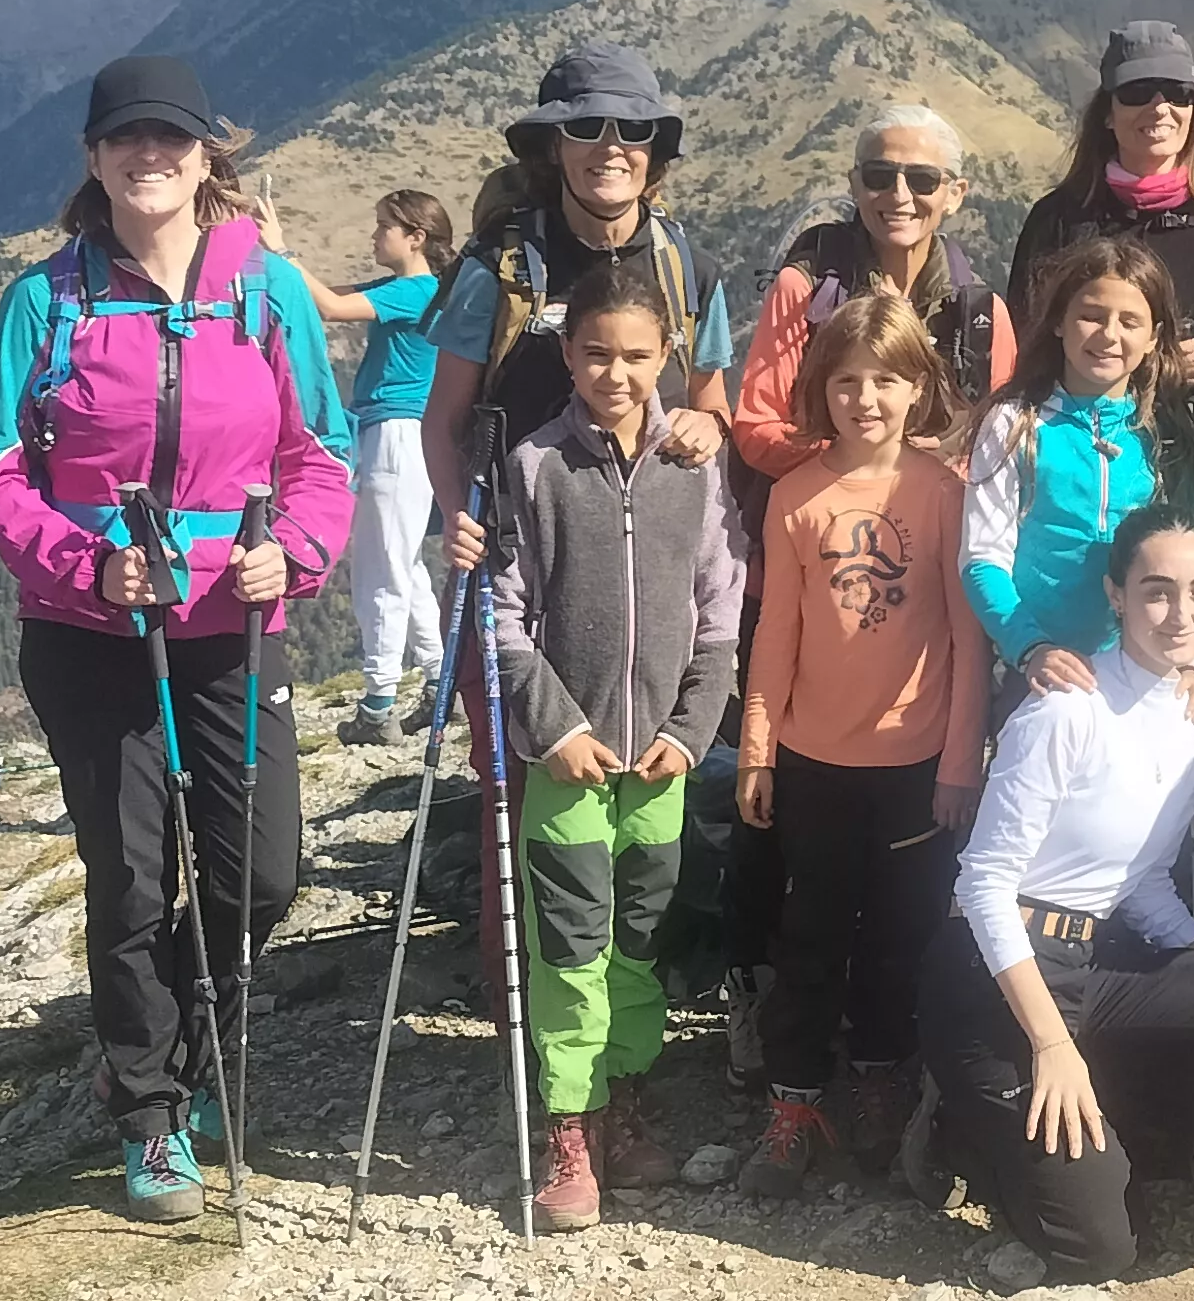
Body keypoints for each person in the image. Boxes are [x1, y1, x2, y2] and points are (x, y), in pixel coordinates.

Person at [0, 53, 357, 1222]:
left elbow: (319, 459)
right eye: (127, 138)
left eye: (172, 139)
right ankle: (152, 1111)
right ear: (93, 159)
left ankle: (187, 1044)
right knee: (131, 874)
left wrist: (296, 551)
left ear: (207, 157)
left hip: (232, 623)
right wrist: (89, 562)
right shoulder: (48, 300)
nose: (151, 155)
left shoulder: (268, 290)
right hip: (91, 631)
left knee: (265, 872)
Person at [448, 259, 748, 1233]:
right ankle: (570, 1125)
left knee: (637, 944)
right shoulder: (534, 465)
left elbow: (717, 619)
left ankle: (629, 1099)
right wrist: (557, 728)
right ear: (568, 355)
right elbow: (506, 621)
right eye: (596, 355)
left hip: (658, 762)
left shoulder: (693, 474)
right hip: (567, 764)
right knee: (569, 949)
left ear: (667, 357)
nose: (616, 375)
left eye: (637, 356)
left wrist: (690, 730)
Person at [925, 505, 1194, 1285]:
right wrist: (1051, 1044)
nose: (1181, 614)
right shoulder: (1064, 709)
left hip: (1090, 964)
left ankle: (1114, 1127)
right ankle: (962, 1125)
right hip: (995, 978)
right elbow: (983, 883)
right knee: (1103, 1248)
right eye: (1157, 592)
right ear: (1116, 596)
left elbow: (1141, 879)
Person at [734, 291, 989, 1196]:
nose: (865, 398)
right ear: (820, 389)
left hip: (917, 765)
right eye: (846, 381)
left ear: (921, 388)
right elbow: (776, 634)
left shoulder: (943, 493)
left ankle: (882, 1074)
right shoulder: (797, 495)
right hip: (813, 763)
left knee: (898, 937)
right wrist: (758, 745)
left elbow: (966, 637)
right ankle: (795, 1100)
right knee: (806, 938)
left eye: (887, 379)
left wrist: (961, 763)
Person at [421, 43, 735, 553]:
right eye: (587, 128)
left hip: (657, 554)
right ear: (553, 148)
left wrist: (711, 424)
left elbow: (713, 402)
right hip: (519, 555)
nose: (611, 148)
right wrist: (458, 514)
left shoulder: (690, 273)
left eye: (633, 130)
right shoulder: (497, 270)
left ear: (652, 151)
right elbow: (444, 417)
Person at [965, 239, 1194, 707]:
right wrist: (1031, 647)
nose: (1108, 335)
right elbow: (981, 558)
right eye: (1091, 316)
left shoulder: (1166, 432)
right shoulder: (1016, 424)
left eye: (1130, 321)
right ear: (1059, 321)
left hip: (1147, 672)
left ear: (1155, 337)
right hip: (1038, 673)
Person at [1009, 24, 1194, 443]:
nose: (1159, 107)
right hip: (1083, 451)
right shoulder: (1059, 221)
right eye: (1137, 92)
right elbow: (1025, 343)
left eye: (1176, 92)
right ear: (1107, 114)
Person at [734, 105, 1019, 480]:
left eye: (923, 180)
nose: (899, 195)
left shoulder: (980, 313)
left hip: (943, 525)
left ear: (954, 194)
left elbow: (1008, 433)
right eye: (879, 176)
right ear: (854, 185)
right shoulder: (806, 289)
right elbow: (757, 428)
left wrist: (940, 469)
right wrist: (872, 459)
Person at [294, 188, 453, 747]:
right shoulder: (412, 289)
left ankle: (378, 701)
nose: (374, 234)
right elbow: (331, 298)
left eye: (385, 225)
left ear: (415, 236)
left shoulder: (417, 290)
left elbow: (331, 307)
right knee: (404, 565)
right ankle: (438, 679)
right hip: (401, 434)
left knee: (379, 571)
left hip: (395, 435)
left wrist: (281, 254)